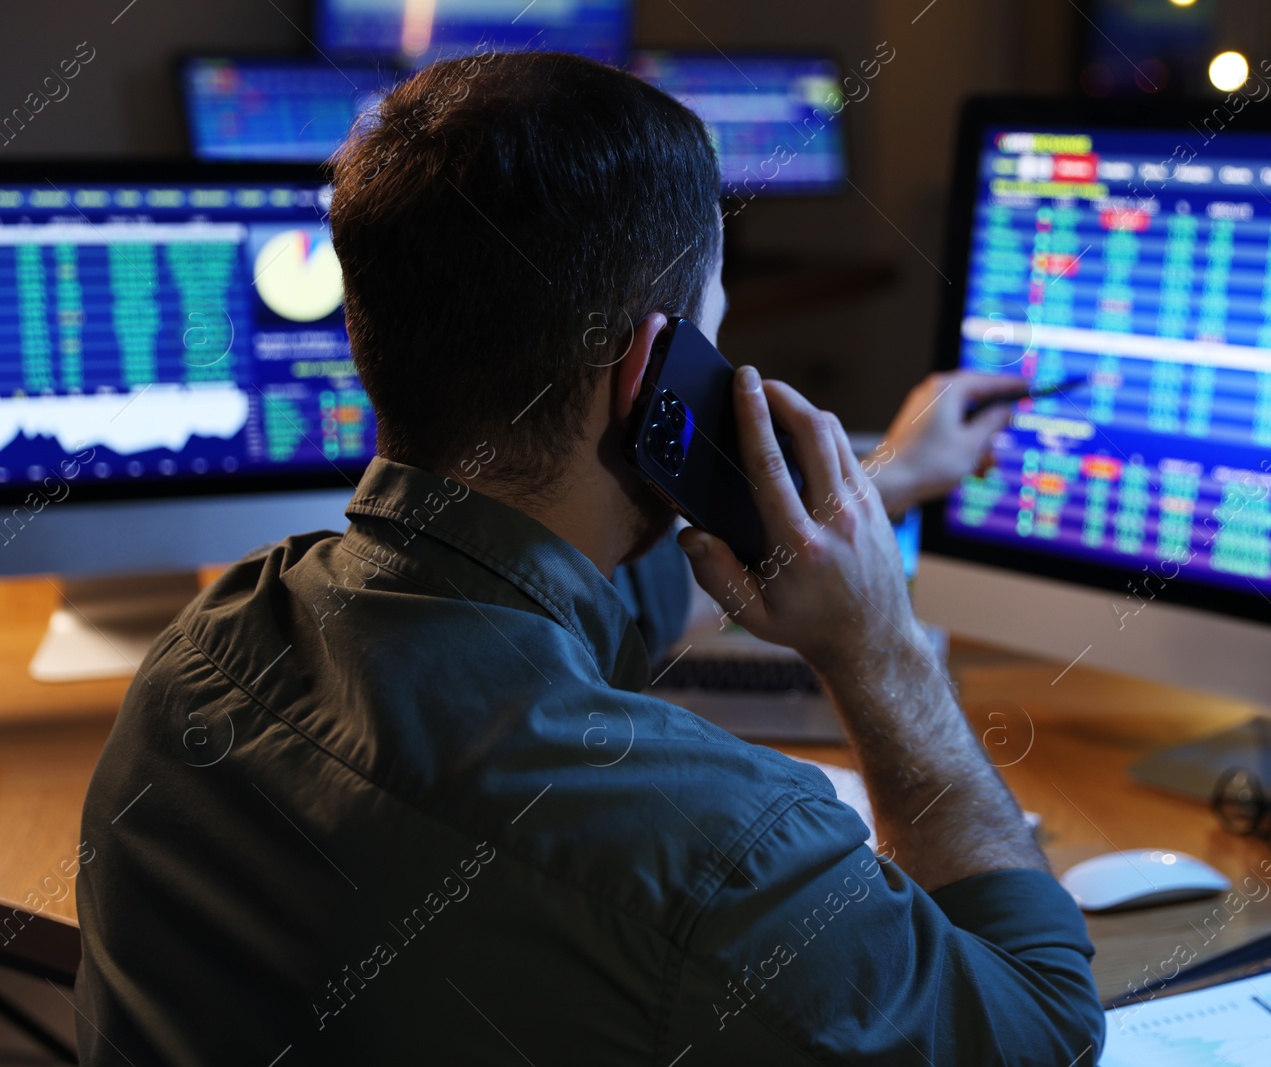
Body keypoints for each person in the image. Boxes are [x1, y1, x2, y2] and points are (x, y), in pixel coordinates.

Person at [74, 51, 1104, 1065]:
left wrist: (881, 480)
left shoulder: (197, 659)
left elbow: (517, 599)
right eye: (713, 332)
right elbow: (1040, 1026)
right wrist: (879, 647)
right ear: (657, 378)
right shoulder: (718, 859)